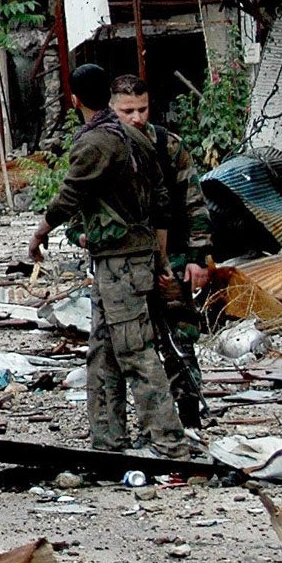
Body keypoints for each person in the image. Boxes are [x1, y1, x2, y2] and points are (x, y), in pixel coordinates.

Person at [31, 65, 190, 459]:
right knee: (102, 353)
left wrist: (39, 232)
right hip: (120, 259)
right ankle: (108, 440)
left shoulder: (98, 141)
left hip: (122, 261)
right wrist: (162, 255)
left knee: (135, 351)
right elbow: (163, 202)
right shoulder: (134, 136)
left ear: (74, 101)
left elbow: (71, 193)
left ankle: (169, 444)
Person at [112, 73, 210, 426]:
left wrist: (199, 258)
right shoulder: (105, 148)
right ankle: (147, 419)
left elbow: (194, 203)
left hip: (174, 257)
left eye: (142, 109)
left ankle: (189, 412)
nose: (137, 117)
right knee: (132, 344)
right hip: (124, 262)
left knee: (180, 337)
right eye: (127, 110)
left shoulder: (169, 146)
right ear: (112, 108)